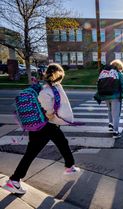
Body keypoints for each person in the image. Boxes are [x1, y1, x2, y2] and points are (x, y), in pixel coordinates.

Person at [3, 63, 80, 195]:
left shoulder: (46, 87)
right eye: (61, 76)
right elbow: (48, 109)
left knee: (34, 151)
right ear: (58, 75)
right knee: (61, 143)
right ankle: (69, 167)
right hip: (45, 125)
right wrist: (52, 114)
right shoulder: (47, 90)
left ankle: (14, 180)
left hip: (39, 125)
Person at [94, 59, 123, 138]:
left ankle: (110, 123)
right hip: (115, 96)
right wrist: (122, 95)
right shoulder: (119, 74)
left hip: (105, 95)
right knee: (116, 114)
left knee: (109, 109)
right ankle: (116, 132)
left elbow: (98, 83)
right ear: (119, 66)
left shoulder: (105, 73)